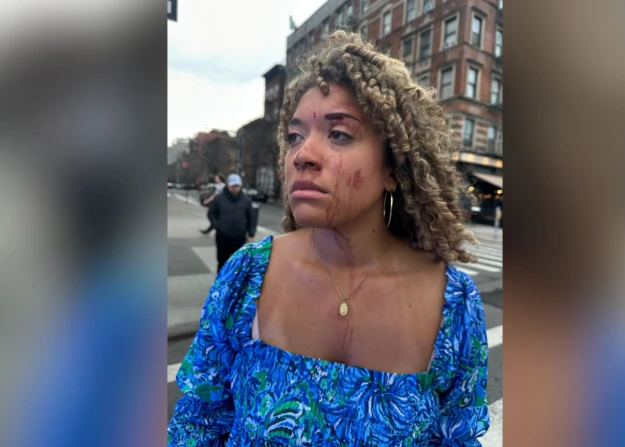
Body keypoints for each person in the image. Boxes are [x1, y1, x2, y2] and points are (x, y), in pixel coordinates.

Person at [169, 31, 489, 446]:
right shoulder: (245, 278)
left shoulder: (454, 305)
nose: (303, 154)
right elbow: (199, 421)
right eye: (295, 136)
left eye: (339, 134)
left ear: (393, 167)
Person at [206, 173, 255, 273]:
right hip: (223, 236)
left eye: (237, 185)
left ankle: (236, 281)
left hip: (239, 236)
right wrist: (216, 225)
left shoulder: (246, 200)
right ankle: (222, 281)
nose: (236, 188)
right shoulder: (219, 198)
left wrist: (251, 234)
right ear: (228, 186)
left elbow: (251, 217)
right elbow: (211, 213)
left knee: (238, 263)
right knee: (222, 262)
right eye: (233, 186)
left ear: (240, 185)